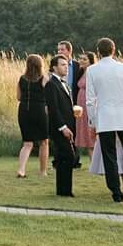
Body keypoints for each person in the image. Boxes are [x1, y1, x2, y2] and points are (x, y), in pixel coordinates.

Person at [85, 37, 123, 205]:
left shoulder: (92, 70)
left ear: (98, 52)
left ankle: (117, 196)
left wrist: (93, 122)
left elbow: (90, 100)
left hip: (104, 119)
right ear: (114, 50)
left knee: (109, 157)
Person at [44, 53, 80, 198]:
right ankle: (64, 191)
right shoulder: (51, 84)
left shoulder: (64, 83)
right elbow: (53, 109)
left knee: (66, 157)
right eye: (63, 65)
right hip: (60, 127)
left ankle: (64, 190)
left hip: (69, 125)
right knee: (66, 156)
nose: (66, 68)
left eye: (67, 65)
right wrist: (63, 127)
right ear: (54, 67)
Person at [16, 54, 48, 178]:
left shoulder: (22, 79)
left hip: (24, 110)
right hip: (39, 111)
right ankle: (43, 171)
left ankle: (21, 170)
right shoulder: (43, 78)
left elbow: (18, 97)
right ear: (40, 65)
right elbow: (49, 95)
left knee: (27, 144)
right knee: (43, 142)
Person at [71, 50, 96, 154]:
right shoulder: (81, 72)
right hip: (80, 105)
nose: (81, 61)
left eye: (84, 59)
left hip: (89, 104)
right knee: (85, 134)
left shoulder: (93, 73)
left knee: (91, 134)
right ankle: (92, 164)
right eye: (80, 58)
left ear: (90, 61)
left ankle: (96, 163)